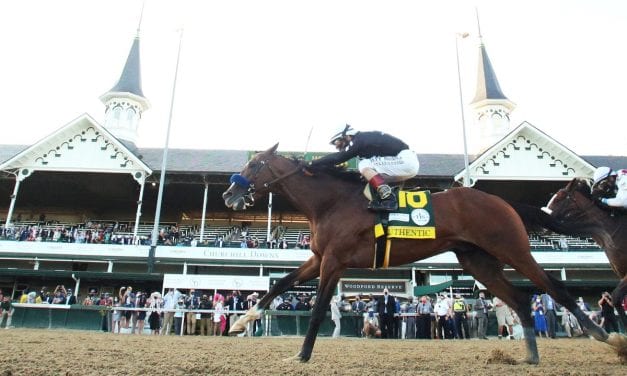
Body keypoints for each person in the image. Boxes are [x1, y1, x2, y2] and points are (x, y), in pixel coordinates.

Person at [307, 124, 419, 211]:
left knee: (364, 165)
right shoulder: (363, 140)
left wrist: (312, 163)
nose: (336, 146)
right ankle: (387, 198)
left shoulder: (358, 140)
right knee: (366, 176)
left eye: (336, 141)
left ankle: (388, 198)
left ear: (346, 135)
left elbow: (338, 158)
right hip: (404, 162)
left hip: (405, 160)